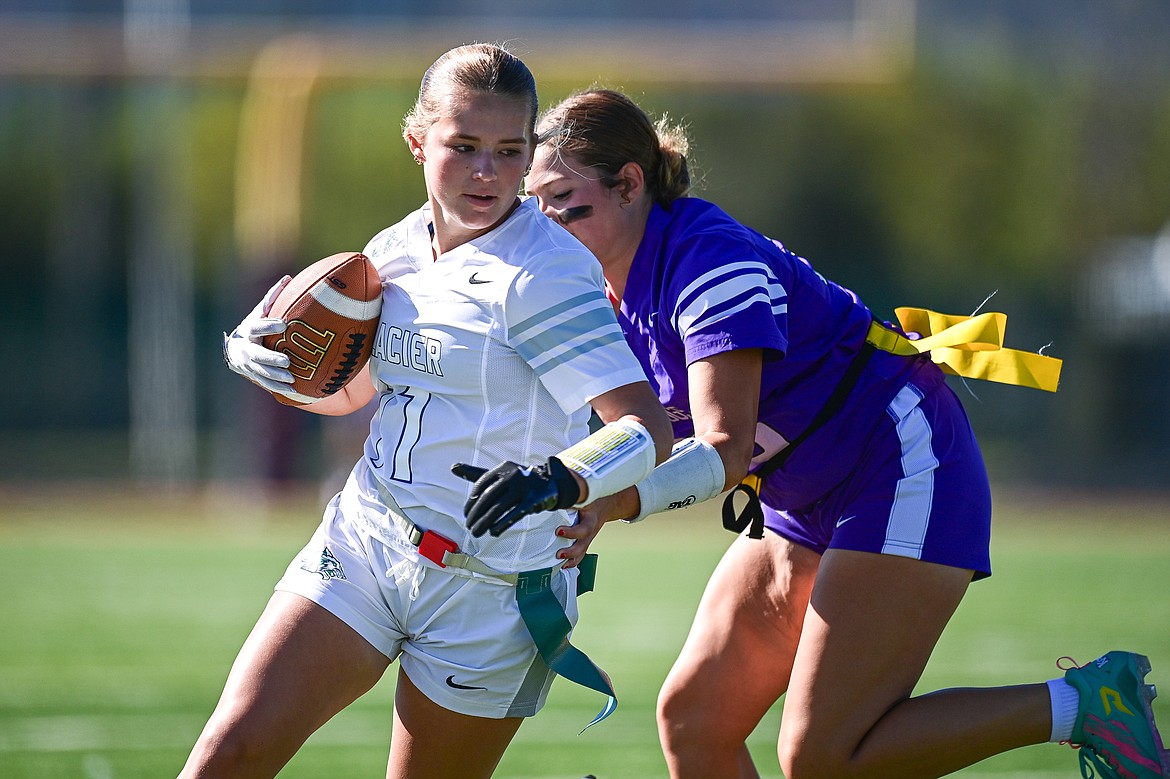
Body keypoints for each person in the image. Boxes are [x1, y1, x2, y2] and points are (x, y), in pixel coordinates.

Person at [520, 87, 1170, 779]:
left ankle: (1087, 705)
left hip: (896, 463)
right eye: (536, 203)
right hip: (802, 490)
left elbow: (723, 447)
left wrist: (614, 500)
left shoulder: (709, 264)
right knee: (694, 718)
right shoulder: (601, 288)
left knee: (822, 756)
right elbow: (628, 428)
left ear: (629, 184)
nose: (546, 222)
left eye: (564, 199)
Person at [198, 48, 673, 779]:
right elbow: (357, 392)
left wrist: (561, 478)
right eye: (465, 147)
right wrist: (263, 358)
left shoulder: (542, 274)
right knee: (226, 755)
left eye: (509, 151)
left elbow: (647, 426)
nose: (488, 171)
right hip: (367, 540)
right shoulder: (391, 251)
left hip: (491, 591)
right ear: (418, 142)